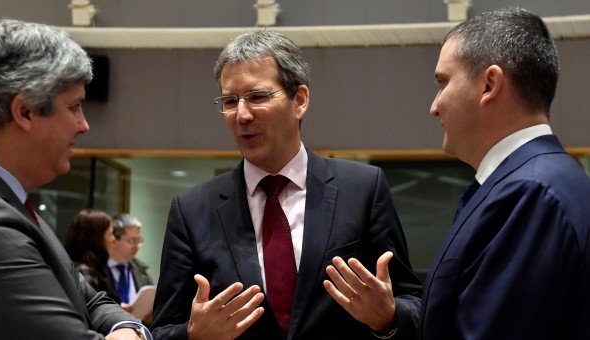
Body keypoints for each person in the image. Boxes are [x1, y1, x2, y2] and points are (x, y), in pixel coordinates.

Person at [325, 7, 590, 340]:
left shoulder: (529, 192)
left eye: (442, 82)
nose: (434, 106)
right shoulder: (539, 179)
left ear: (489, 84)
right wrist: (390, 317)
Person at [150, 30, 422, 340]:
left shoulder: (362, 189)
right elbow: (162, 330)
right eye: (230, 100)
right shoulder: (192, 210)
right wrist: (192, 336)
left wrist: (388, 318)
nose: (241, 114)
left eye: (257, 96)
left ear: (300, 100)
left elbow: (413, 303)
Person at [0, 19, 151, 339]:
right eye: (74, 107)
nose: (84, 125)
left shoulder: (2, 199)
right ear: (25, 112)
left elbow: (93, 301)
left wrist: (126, 327)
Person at [108, 214, 154, 323]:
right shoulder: (97, 272)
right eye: (132, 241)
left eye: (139, 240)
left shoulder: (142, 272)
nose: (137, 246)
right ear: (114, 239)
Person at [64, 209, 117, 296]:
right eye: (110, 234)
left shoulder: (96, 267)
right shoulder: (84, 273)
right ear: (96, 239)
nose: (114, 239)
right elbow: (90, 308)